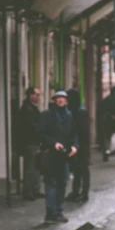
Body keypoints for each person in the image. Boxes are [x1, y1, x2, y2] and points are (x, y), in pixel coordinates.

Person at [38, 91, 78, 223]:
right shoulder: (47, 115)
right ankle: (51, 212)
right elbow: (40, 134)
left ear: (66, 101)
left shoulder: (69, 115)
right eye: (58, 98)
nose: (60, 100)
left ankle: (59, 210)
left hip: (64, 155)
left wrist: (74, 146)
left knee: (63, 182)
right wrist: (53, 143)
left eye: (63, 98)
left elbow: (74, 134)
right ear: (54, 100)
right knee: (51, 183)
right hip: (51, 154)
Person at [17, 86, 42, 200]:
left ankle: (34, 189)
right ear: (30, 95)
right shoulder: (27, 109)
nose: (38, 97)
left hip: (34, 141)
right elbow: (30, 126)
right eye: (37, 95)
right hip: (30, 142)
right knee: (30, 167)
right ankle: (28, 191)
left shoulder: (30, 108)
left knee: (35, 166)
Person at [66, 89, 90, 203]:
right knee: (77, 169)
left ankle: (84, 193)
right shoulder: (74, 110)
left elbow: (83, 131)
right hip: (76, 144)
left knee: (83, 169)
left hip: (82, 145)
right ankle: (76, 192)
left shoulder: (80, 112)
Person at [101, 86, 115, 161]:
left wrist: (110, 116)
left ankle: (106, 153)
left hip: (108, 121)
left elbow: (103, 110)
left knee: (107, 137)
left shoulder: (106, 99)